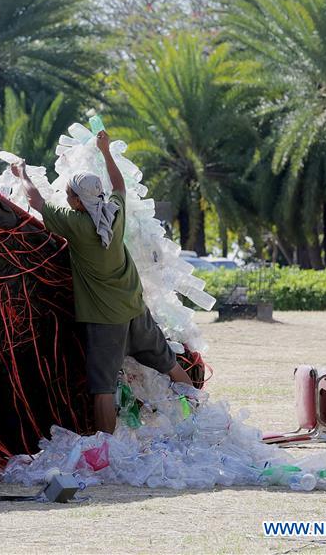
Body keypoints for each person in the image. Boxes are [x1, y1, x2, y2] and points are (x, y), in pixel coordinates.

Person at [12, 130, 192, 434]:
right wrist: (105, 151)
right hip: (135, 309)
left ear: (79, 201)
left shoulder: (77, 225)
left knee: (103, 389)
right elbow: (119, 185)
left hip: (105, 321)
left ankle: (106, 448)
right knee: (171, 365)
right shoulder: (114, 213)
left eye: (69, 195)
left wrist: (22, 174)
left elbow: (36, 200)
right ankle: (198, 416)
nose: (66, 199)